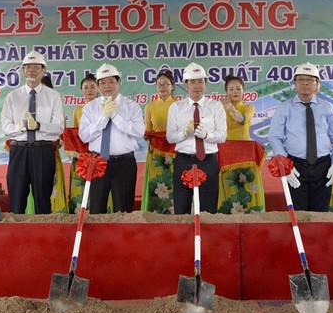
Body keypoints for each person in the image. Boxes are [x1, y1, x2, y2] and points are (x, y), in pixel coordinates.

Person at [268, 62, 333, 212]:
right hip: (295, 166)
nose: (305, 83)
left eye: (310, 80)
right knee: (298, 213)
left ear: (317, 84)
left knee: (320, 213)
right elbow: (275, 137)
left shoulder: (327, 107)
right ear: (294, 84)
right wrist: (285, 164)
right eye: (300, 79)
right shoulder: (284, 108)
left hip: (323, 166)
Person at [1, 51, 64, 214]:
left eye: (36, 67)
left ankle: (43, 237)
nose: (31, 70)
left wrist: (38, 125)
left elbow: (59, 127)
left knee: (43, 199)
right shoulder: (12, 96)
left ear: (44, 71)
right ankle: (17, 237)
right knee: (16, 199)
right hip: (19, 150)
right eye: (28, 67)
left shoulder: (54, 96)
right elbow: (6, 127)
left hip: (43, 151)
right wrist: (19, 128)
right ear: (23, 71)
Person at [79, 63, 145, 213]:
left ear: (119, 83)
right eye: (102, 82)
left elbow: (139, 132)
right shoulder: (91, 107)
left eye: (111, 82)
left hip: (124, 163)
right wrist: (103, 117)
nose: (107, 86)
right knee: (96, 209)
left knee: (123, 210)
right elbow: (84, 136)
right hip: (98, 163)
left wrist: (116, 117)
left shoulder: (131, 106)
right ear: (98, 85)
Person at [166, 62, 227, 214]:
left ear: (205, 84)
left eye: (200, 81)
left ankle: (207, 238)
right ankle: (183, 238)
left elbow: (222, 136)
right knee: (182, 207)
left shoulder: (215, 106)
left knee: (208, 209)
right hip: (183, 161)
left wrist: (207, 136)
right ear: (185, 85)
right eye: (192, 82)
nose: (197, 86)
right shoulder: (176, 107)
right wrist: (184, 133)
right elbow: (170, 138)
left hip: (208, 161)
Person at [218, 75, 265, 213]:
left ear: (244, 91)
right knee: (229, 186)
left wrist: (229, 108)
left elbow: (242, 120)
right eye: (231, 89)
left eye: (238, 88)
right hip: (226, 152)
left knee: (249, 186)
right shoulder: (219, 109)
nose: (235, 92)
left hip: (246, 154)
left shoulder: (249, 108)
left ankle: (253, 214)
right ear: (226, 92)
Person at [142, 70, 177, 214]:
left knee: (173, 182)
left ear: (172, 86)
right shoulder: (150, 106)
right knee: (157, 183)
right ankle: (154, 213)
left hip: (175, 151)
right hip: (155, 151)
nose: (162, 87)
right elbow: (147, 130)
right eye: (159, 84)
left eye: (166, 84)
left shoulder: (178, 105)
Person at [68, 73, 98, 213]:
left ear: (98, 88)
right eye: (86, 87)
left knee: (98, 186)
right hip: (81, 156)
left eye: (92, 86)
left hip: (98, 155)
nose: (89, 90)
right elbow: (75, 134)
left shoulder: (104, 108)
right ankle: (78, 214)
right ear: (82, 91)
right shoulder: (78, 111)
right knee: (79, 186)